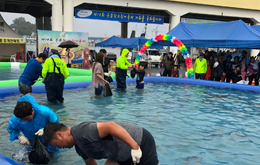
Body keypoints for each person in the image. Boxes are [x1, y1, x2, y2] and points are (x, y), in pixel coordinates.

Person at [43, 121, 159, 165]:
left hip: (140, 140)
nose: (60, 148)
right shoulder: (79, 148)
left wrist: (135, 147)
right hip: (120, 155)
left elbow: (110, 126)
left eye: (56, 144)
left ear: (59, 135)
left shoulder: (82, 132)